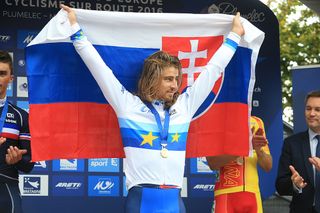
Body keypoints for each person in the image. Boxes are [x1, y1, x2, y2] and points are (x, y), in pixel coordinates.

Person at [61, 4, 244, 212]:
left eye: (176, 79)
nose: (175, 85)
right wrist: (75, 28)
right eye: (168, 79)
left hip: (175, 202)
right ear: (152, 79)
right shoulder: (128, 105)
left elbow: (213, 70)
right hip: (141, 202)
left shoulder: (184, 106)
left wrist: (235, 36)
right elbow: (99, 69)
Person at [206, 116, 272, 213]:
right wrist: (246, 147)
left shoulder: (257, 122)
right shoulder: (216, 121)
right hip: (226, 195)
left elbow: (268, 166)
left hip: (253, 195)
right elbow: (213, 163)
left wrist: (259, 150)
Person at [0, 50, 34, 213]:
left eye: (2, 73)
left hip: (6, 189)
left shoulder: (21, 116)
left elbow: (28, 165)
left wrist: (17, 160)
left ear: (10, 79)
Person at [276, 90, 320, 213]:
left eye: (318, 109)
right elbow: (280, 185)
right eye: (308, 108)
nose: (312, 113)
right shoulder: (291, 143)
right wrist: (295, 184)